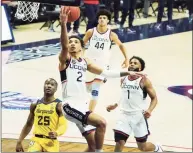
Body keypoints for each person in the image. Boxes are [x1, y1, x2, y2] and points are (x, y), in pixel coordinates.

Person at [59, 7, 142, 152]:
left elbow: (107, 73)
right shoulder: (66, 61)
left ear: (81, 46)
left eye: (75, 42)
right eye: (70, 42)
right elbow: (64, 45)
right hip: (70, 106)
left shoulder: (85, 62)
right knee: (102, 123)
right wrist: (64, 25)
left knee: (91, 147)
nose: (72, 43)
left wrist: (127, 72)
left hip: (82, 105)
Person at [106, 56, 164, 152]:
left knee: (142, 147)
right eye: (131, 62)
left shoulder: (144, 80)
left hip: (138, 116)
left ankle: (157, 148)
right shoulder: (123, 79)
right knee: (119, 142)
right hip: (124, 116)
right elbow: (124, 95)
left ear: (140, 68)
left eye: (135, 63)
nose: (132, 64)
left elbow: (154, 99)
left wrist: (149, 110)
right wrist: (115, 105)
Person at [83, 9, 129, 112]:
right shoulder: (91, 32)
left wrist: (126, 58)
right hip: (89, 64)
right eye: (100, 18)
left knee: (95, 91)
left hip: (102, 65)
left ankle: (89, 114)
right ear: (98, 20)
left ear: (108, 20)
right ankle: (84, 106)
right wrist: (79, 57)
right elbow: (81, 45)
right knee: (86, 89)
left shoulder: (111, 34)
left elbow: (121, 45)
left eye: (104, 18)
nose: (102, 19)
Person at [16, 78, 67, 152]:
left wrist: (57, 133)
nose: (49, 86)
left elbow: (63, 125)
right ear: (43, 86)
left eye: (52, 85)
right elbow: (28, 124)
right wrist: (19, 141)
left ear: (56, 89)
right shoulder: (35, 104)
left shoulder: (59, 105)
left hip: (51, 141)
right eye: (47, 83)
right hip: (36, 140)